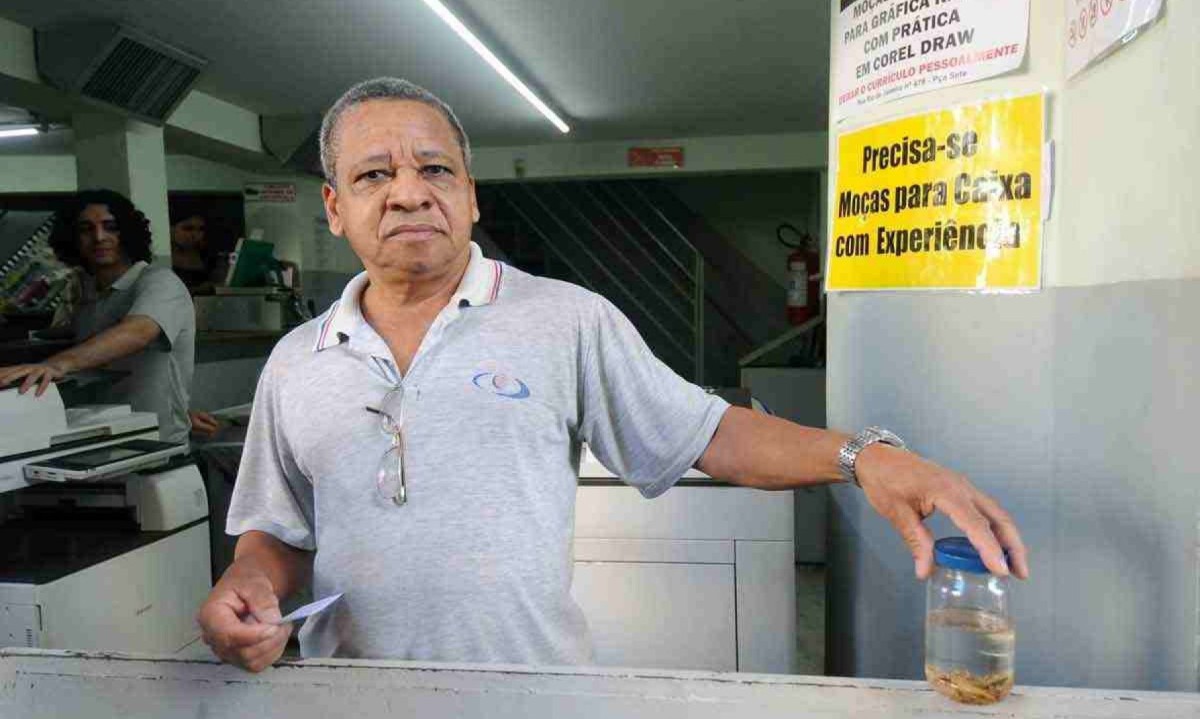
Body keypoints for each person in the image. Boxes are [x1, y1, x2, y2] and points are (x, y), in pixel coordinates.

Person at [196, 78, 1029, 673]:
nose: (410, 191)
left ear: (473, 195)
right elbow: (279, 535)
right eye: (374, 173)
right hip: (346, 699)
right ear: (334, 206)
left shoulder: (565, 319)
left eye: (436, 168)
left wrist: (866, 457)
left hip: (534, 696)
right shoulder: (295, 362)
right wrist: (244, 585)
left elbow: (710, 432)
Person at [0, 189, 196, 445]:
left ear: (127, 232)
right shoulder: (89, 292)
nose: (99, 237)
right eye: (85, 229)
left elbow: (138, 331)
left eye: (110, 227)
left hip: (157, 443)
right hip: (102, 437)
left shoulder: (160, 282)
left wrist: (55, 365)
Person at [169, 203, 216, 291]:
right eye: (188, 228)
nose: (195, 235)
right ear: (172, 229)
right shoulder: (164, 258)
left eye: (201, 229)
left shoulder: (208, 257)